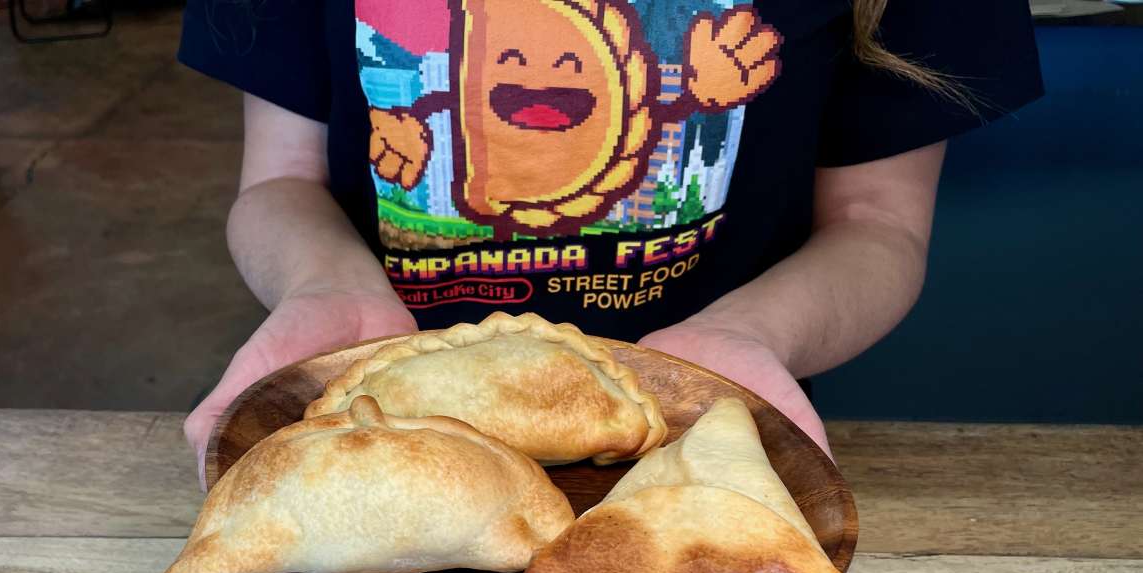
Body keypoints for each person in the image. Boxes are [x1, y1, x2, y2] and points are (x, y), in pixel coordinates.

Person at [178, 0, 1042, 482]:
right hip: (375, 430)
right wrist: (322, 285)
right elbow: (280, 182)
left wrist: (742, 342)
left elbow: (876, 224)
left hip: (703, 438)